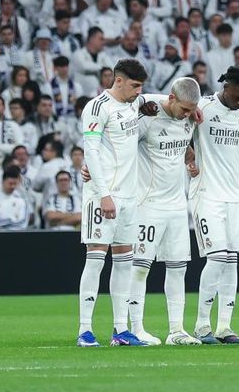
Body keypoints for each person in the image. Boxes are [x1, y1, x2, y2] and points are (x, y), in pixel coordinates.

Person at [74, 58, 154, 347]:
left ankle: (121, 330)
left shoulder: (134, 103)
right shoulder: (97, 107)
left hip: (130, 197)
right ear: (117, 80)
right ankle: (85, 330)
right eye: (134, 85)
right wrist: (104, 193)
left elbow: (156, 99)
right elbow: (91, 152)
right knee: (95, 260)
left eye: (140, 87)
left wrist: (188, 108)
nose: (138, 91)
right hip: (103, 196)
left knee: (124, 262)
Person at [127, 77, 201, 345]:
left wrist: (190, 160)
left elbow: (183, 151)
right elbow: (121, 146)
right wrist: (145, 101)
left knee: (178, 267)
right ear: (170, 99)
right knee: (140, 267)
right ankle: (135, 328)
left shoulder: (189, 119)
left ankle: (177, 331)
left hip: (177, 206)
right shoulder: (148, 119)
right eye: (184, 109)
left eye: (192, 110)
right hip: (147, 204)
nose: (188, 115)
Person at [189, 65, 239, 344]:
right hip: (206, 193)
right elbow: (176, 129)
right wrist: (188, 156)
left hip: (232, 196)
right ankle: (202, 325)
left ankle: (224, 327)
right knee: (216, 257)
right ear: (225, 87)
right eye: (238, 96)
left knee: (232, 260)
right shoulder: (202, 107)